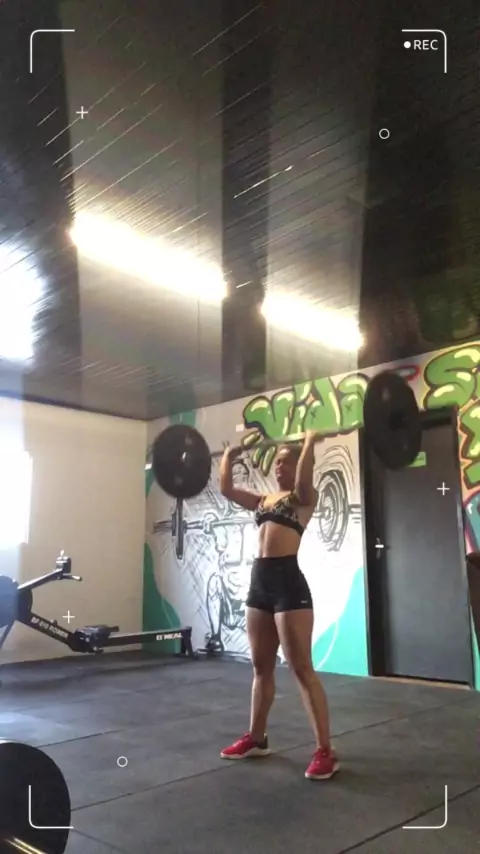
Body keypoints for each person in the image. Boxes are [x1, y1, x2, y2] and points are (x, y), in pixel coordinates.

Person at [218, 431, 338, 780]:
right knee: (261, 667)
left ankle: (326, 751)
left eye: (286, 461)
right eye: (279, 461)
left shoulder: (303, 498)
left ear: (299, 464)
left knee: (301, 667)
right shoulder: (263, 500)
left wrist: (310, 442)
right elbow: (226, 489)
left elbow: (303, 480)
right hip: (259, 584)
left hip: (288, 584)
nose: (279, 466)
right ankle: (257, 738)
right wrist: (230, 455)